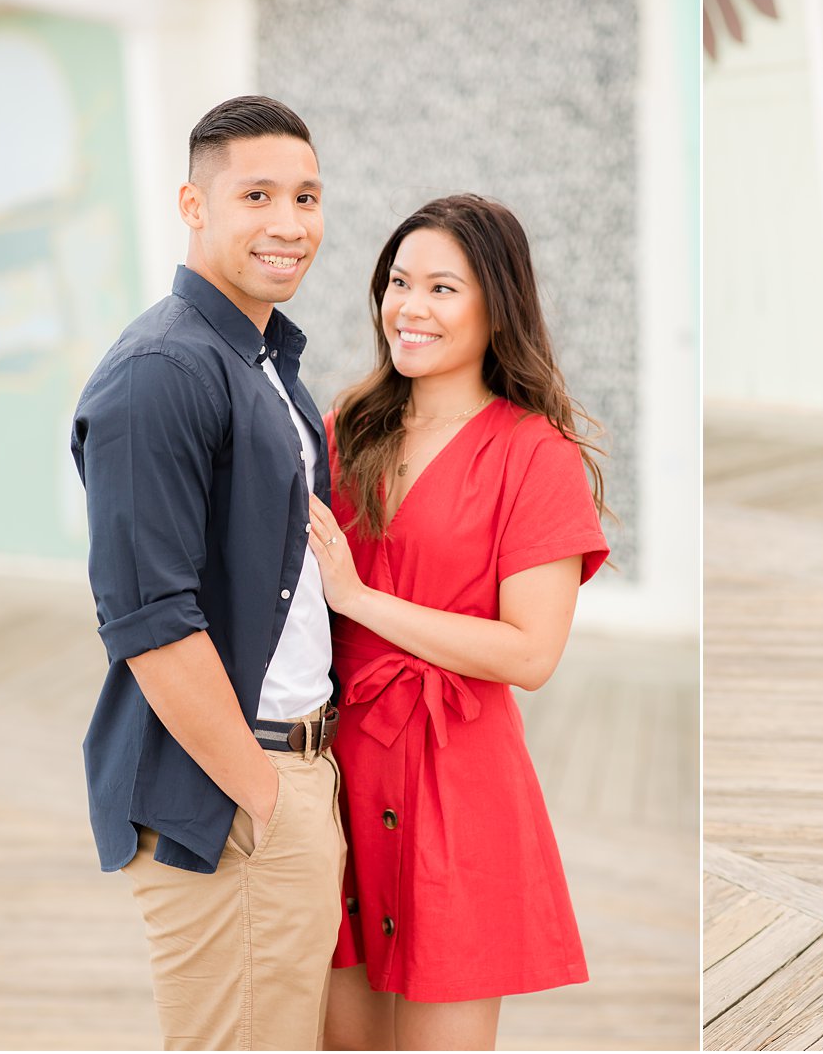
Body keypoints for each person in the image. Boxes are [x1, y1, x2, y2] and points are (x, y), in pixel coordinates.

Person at [71, 96, 344, 1050]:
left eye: (306, 196)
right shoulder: (161, 371)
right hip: (235, 790)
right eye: (257, 194)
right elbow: (150, 619)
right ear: (194, 204)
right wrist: (261, 798)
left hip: (291, 772)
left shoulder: (264, 360)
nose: (288, 222)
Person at [307, 195, 610, 1051]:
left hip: (457, 786)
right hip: (339, 773)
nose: (410, 307)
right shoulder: (341, 431)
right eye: (400, 282)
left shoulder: (534, 454)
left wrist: (360, 600)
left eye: (443, 287)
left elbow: (531, 651)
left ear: (496, 305)